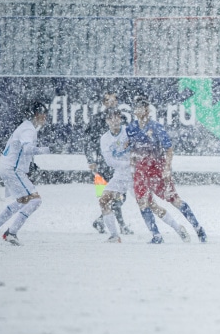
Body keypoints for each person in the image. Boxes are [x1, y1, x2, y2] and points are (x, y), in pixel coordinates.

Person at [127, 95, 207, 244]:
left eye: (140, 107)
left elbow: (169, 149)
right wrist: (133, 169)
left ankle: (198, 228)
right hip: (140, 171)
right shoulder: (131, 128)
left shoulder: (156, 127)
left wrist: (167, 169)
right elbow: (131, 149)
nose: (136, 110)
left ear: (146, 110)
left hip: (156, 169)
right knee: (142, 202)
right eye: (135, 107)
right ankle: (156, 236)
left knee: (174, 200)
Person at [0, 101, 51, 245]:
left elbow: (20, 150)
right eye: (44, 114)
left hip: (8, 168)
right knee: (35, 200)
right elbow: (27, 149)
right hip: (13, 170)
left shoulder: (25, 126)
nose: (45, 117)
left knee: (23, 200)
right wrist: (45, 150)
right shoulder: (28, 130)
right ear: (37, 114)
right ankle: (11, 233)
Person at [84, 89, 132, 235]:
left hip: (120, 163)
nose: (111, 102)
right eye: (108, 100)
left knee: (117, 196)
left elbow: (131, 139)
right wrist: (91, 160)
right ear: (103, 103)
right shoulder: (97, 119)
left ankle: (102, 221)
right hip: (103, 163)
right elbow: (88, 142)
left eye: (114, 99)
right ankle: (121, 226)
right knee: (111, 196)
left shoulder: (123, 119)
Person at [97, 108, 146, 243]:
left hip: (134, 175)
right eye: (111, 118)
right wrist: (127, 164)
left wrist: (136, 162)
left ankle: (167, 229)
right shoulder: (105, 139)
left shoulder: (128, 131)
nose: (114, 120)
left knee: (147, 204)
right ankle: (115, 235)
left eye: (117, 117)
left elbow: (141, 147)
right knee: (103, 201)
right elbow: (109, 161)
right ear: (107, 121)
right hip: (120, 175)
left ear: (120, 118)